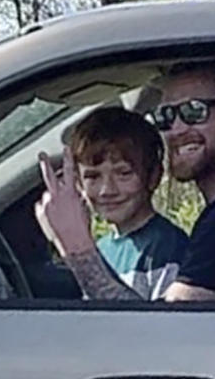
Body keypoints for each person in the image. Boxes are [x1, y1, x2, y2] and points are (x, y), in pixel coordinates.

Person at [35, 59, 215, 301]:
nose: (176, 129)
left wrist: (75, 244)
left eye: (195, 111)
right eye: (166, 116)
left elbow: (157, 333)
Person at [67, 107, 189, 300]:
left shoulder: (168, 248)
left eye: (124, 174)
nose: (107, 190)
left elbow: (158, 326)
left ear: (153, 177)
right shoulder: (101, 249)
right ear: (79, 183)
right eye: (93, 176)